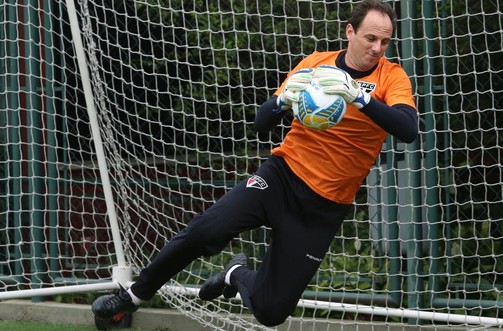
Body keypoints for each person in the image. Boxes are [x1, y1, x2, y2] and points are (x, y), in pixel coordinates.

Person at [91, 0, 418, 327]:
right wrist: (282, 100)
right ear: (350, 31)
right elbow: (262, 123)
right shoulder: (316, 65)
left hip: (324, 207)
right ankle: (133, 295)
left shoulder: (392, 77)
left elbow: (407, 128)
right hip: (281, 178)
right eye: (370, 38)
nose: (377, 48)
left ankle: (235, 274)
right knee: (207, 230)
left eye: (384, 42)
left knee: (271, 312)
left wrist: (359, 97)